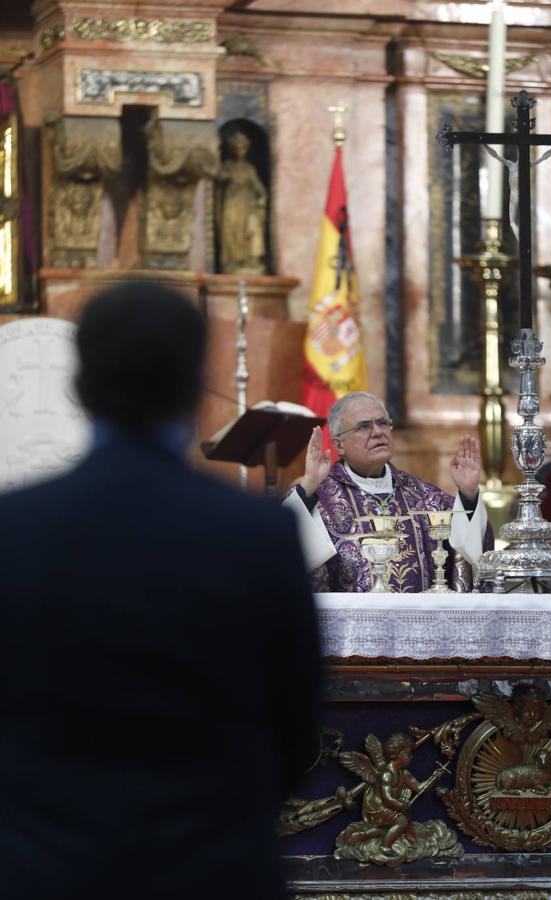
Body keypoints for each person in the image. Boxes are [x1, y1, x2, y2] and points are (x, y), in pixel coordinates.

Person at [0, 280, 321, 900]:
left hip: (47, 867)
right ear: (195, 389)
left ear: (80, 388)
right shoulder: (259, 534)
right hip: (214, 866)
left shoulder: (13, 530)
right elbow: (294, 731)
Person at [285, 391, 493, 591]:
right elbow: (282, 552)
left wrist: (468, 496)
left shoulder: (424, 497)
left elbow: (471, 553)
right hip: (350, 625)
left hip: (418, 624)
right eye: (363, 426)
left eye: (383, 422)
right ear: (339, 446)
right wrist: (308, 486)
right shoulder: (319, 498)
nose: (377, 432)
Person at [217, 131, 267, 275]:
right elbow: (219, 178)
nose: (240, 151)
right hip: (231, 204)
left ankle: (250, 260)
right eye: (237, 148)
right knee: (232, 232)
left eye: (243, 148)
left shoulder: (249, 168)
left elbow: (260, 189)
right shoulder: (226, 166)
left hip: (247, 205)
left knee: (250, 232)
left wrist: (261, 199)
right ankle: (233, 261)